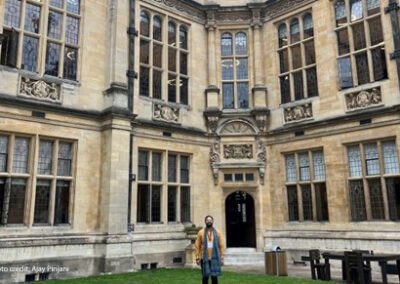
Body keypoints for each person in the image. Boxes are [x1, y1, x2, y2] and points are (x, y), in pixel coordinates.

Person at [195, 215, 224, 284]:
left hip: (215, 258)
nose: (209, 221)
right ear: (205, 222)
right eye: (207, 220)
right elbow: (197, 245)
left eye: (210, 220)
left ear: (213, 221)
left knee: (214, 277)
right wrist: (197, 257)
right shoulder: (201, 232)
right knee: (205, 277)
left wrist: (222, 257)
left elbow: (221, 245)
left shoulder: (218, 232)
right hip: (204, 258)